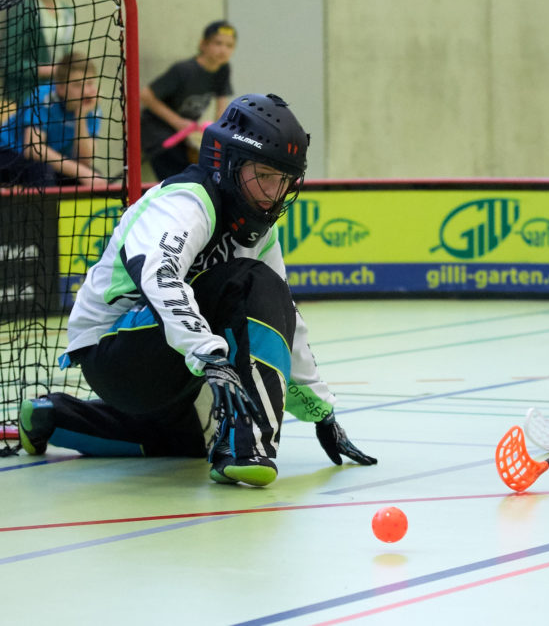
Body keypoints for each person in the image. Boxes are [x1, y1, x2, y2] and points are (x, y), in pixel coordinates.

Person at [17, 93, 376, 486]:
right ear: (229, 164)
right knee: (248, 279)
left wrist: (320, 410)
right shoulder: (185, 202)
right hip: (112, 351)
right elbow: (160, 277)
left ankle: (53, 417)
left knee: (192, 440)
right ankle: (247, 448)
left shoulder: (260, 233)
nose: (274, 194)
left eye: (284, 181)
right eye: (265, 176)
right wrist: (209, 357)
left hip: (170, 363)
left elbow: (283, 316)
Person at [139, 19, 236, 181]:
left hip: (184, 134)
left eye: (229, 46)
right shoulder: (184, 70)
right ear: (203, 44)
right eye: (218, 43)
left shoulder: (223, 69)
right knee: (178, 179)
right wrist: (177, 122)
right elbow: (145, 95)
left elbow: (221, 107)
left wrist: (220, 136)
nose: (223, 50)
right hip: (156, 132)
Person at [0, 51, 112, 188]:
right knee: (43, 171)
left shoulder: (91, 107)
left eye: (89, 83)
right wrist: (82, 172)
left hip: (49, 164)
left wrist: (80, 116)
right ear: (60, 88)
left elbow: (84, 162)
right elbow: (34, 149)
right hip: (8, 154)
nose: (85, 91)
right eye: (77, 85)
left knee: (94, 179)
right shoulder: (43, 96)